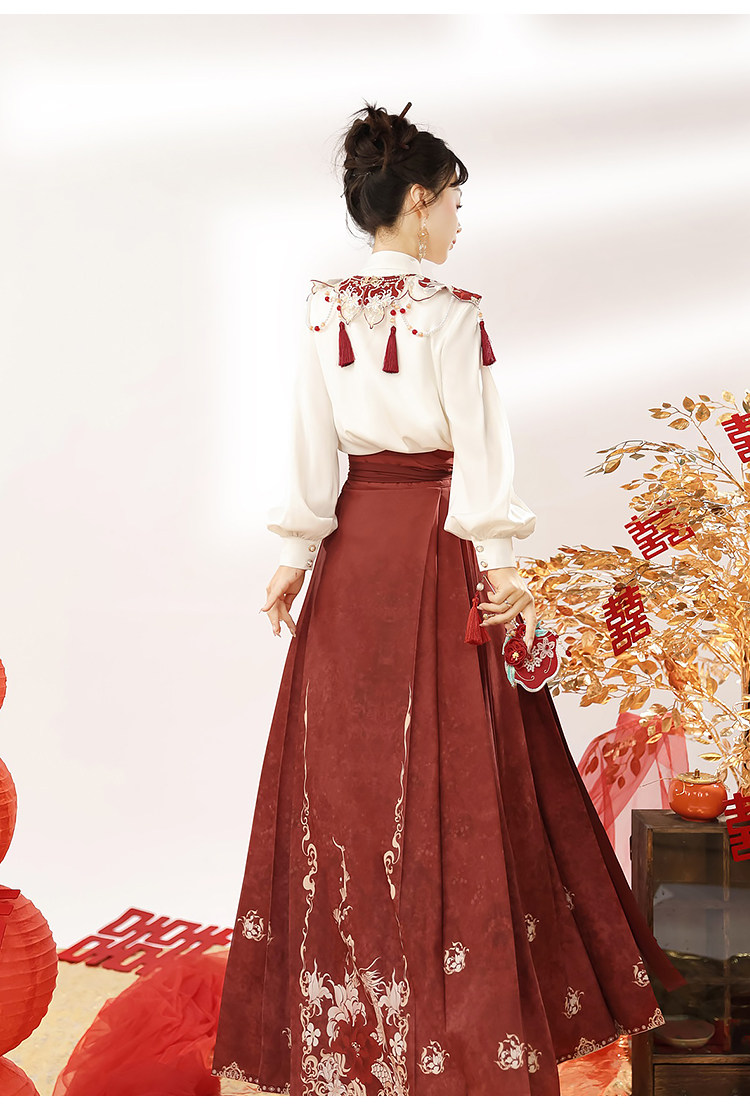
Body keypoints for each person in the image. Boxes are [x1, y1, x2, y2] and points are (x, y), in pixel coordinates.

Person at [210, 101, 686, 1097]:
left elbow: (309, 439)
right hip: (436, 545)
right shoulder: (452, 310)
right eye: (456, 202)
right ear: (420, 201)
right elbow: (478, 443)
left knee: (343, 778)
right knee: (464, 774)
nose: (461, 221)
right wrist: (503, 562)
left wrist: (296, 551)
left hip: (352, 554)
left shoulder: (322, 308)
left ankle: (352, 1025)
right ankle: (457, 1027)